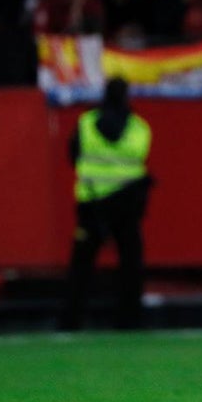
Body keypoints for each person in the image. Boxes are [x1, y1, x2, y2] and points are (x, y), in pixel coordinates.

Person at [61, 77, 152, 331]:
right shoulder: (139, 128)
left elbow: (73, 156)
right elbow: (140, 160)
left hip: (92, 202)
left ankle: (71, 322)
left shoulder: (86, 123)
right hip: (126, 203)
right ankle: (130, 321)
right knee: (131, 265)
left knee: (81, 266)